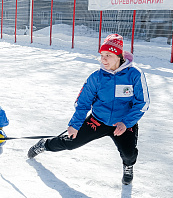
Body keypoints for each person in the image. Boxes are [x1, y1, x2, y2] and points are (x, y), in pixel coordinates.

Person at [27, 34, 150, 185]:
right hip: (98, 120)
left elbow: (142, 103)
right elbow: (83, 103)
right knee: (71, 143)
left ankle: (128, 167)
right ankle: (44, 144)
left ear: (118, 56)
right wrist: (75, 125)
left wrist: (126, 123)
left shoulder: (134, 74)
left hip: (123, 123)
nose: (103, 59)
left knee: (129, 154)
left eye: (108, 55)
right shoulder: (96, 77)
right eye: (102, 55)